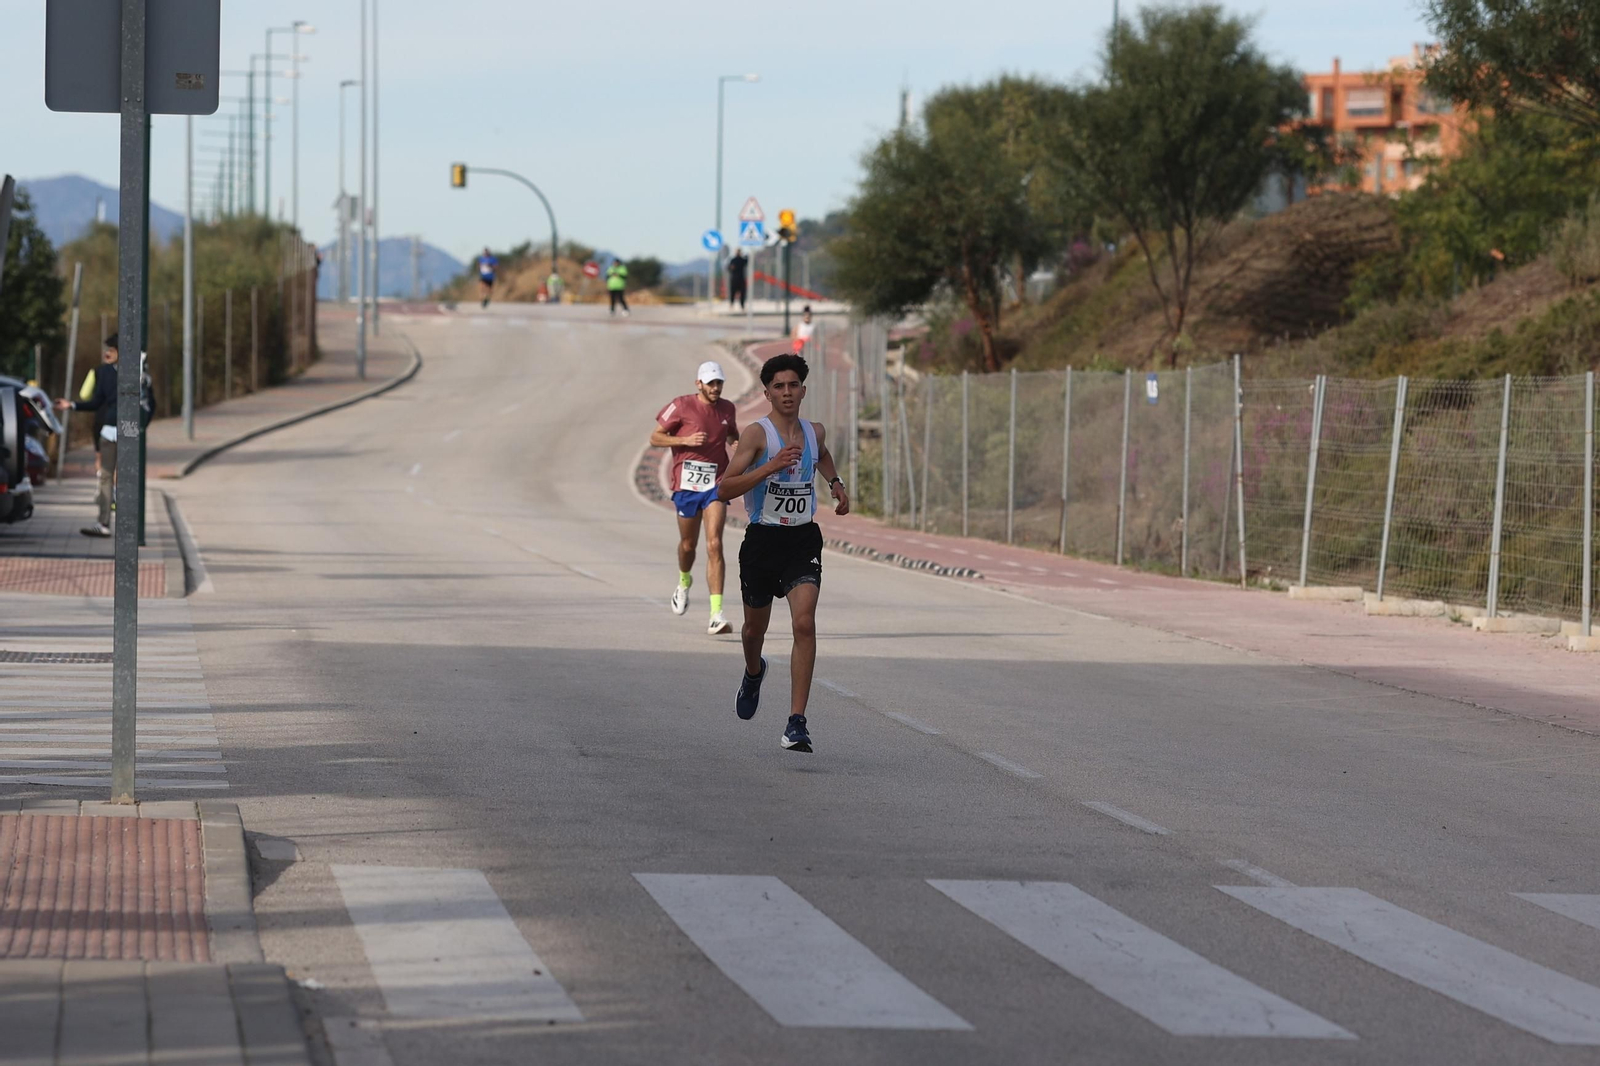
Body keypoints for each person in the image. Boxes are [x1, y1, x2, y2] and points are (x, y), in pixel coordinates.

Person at [713, 352, 849, 753]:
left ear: (803, 391)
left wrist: (835, 483)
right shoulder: (758, 435)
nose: (787, 392)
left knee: (804, 624)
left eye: (793, 385)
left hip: (802, 540)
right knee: (753, 631)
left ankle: (796, 722)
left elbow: (822, 454)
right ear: (767, 394)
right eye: (779, 387)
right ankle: (754, 671)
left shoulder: (814, 431)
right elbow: (724, 488)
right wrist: (769, 467)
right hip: (762, 540)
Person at [652, 361, 740, 634]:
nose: (716, 388)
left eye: (719, 383)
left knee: (715, 544)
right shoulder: (680, 405)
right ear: (698, 384)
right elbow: (655, 438)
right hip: (687, 487)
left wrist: (738, 444)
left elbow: (732, 434)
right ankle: (684, 580)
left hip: (715, 484)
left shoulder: (727, 409)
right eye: (711, 383)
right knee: (688, 545)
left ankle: (716, 614)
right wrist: (684, 440)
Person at [54, 334, 123, 538]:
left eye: (111, 350)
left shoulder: (136, 372)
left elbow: (148, 402)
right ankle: (103, 522)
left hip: (126, 430)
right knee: (106, 475)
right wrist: (71, 405)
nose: (107, 353)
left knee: (123, 475)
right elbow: (95, 401)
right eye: (107, 349)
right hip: (110, 430)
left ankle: (125, 524)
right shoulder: (104, 372)